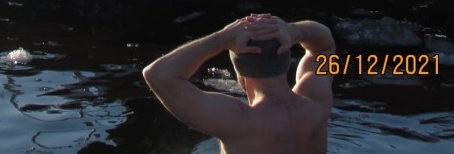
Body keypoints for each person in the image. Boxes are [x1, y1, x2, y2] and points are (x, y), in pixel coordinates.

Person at [142, 14, 335, 154]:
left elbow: (158, 74)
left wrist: (223, 38)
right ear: (285, 60)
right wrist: (295, 30)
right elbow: (325, 46)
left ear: (240, 75)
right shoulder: (317, 101)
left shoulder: (237, 122)